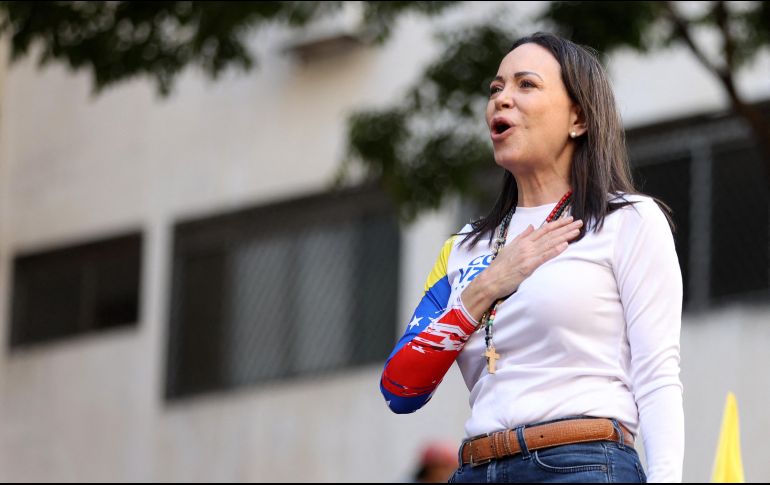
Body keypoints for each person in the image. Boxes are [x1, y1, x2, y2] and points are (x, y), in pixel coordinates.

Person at [379, 32, 684, 483]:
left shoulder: (627, 221)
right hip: (476, 469)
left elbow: (658, 377)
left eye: (526, 85)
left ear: (578, 117)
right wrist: (485, 288)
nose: (502, 100)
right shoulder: (463, 247)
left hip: (582, 464)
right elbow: (399, 389)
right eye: (496, 88)